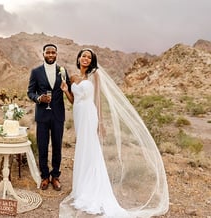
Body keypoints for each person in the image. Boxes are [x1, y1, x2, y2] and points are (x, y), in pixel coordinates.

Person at [59, 48, 169, 217]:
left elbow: (97, 100)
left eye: (89, 57)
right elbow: (74, 101)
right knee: (82, 148)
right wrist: (66, 89)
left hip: (89, 114)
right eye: (83, 56)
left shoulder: (94, 76)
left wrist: (100, 122)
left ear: (92, 60)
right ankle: (80, 187)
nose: (86, 59)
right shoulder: (73, 77)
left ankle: (92, 187)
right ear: (78, 58)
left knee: (92, 149)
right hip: (79, 114)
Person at [27, 43, 71, 191]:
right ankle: (45, 176)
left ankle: (55, 176)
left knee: (57, 146)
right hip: (42, 116)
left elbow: (69, 90)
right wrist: (39, 98)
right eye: (48, 53)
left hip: (58, 115)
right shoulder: (36, 72)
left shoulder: (63, 71)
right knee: (42, 146)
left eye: (53, 53)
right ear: (43, 54)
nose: (51, 55)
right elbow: (30, 92)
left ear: (56, 54)